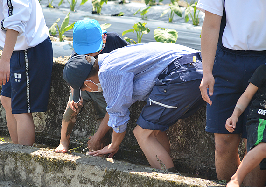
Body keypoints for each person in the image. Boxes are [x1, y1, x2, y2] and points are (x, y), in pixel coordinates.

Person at [81, 42, 205, 171]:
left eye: (85, 89)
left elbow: (118, 116)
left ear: (88, 83)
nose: (88, 91)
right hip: (199, 66)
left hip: (180, 73)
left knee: (143, 134)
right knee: (154, 129)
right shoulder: (113, 58)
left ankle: (168, 179)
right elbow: (115, 107)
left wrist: (113, 145)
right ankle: (164, 169)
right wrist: (98, 137)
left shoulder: (108, 72)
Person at [197, 0, 266, 184]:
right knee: (223, 144)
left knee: (256, 145)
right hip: (226, 60)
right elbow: (211, 24)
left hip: (263, 61)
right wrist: (207, 72)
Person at [54, 19, 128, 153]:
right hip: (83, 86)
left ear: (103, 38)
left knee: (106, 114)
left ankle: (101, 144)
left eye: (93, 51)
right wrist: (75, 95)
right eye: (86, 53)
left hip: (106, 88)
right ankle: (63, 141)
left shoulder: (114, 40)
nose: (91, 55)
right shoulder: (78, 51)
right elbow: (73, 74)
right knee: (72, 107)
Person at [0, 0, 53, 146]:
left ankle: (22, 155)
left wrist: (4, 60)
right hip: (14, 49)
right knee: (7, 100)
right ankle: (16, 149)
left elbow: (16, 21)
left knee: (21, 109)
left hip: (29, 48)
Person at [225, 64, 266, 186]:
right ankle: (236, 179)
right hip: (261, 118)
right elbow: (247, 95)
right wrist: (235, 115)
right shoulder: (263, 70)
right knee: (264, 146)